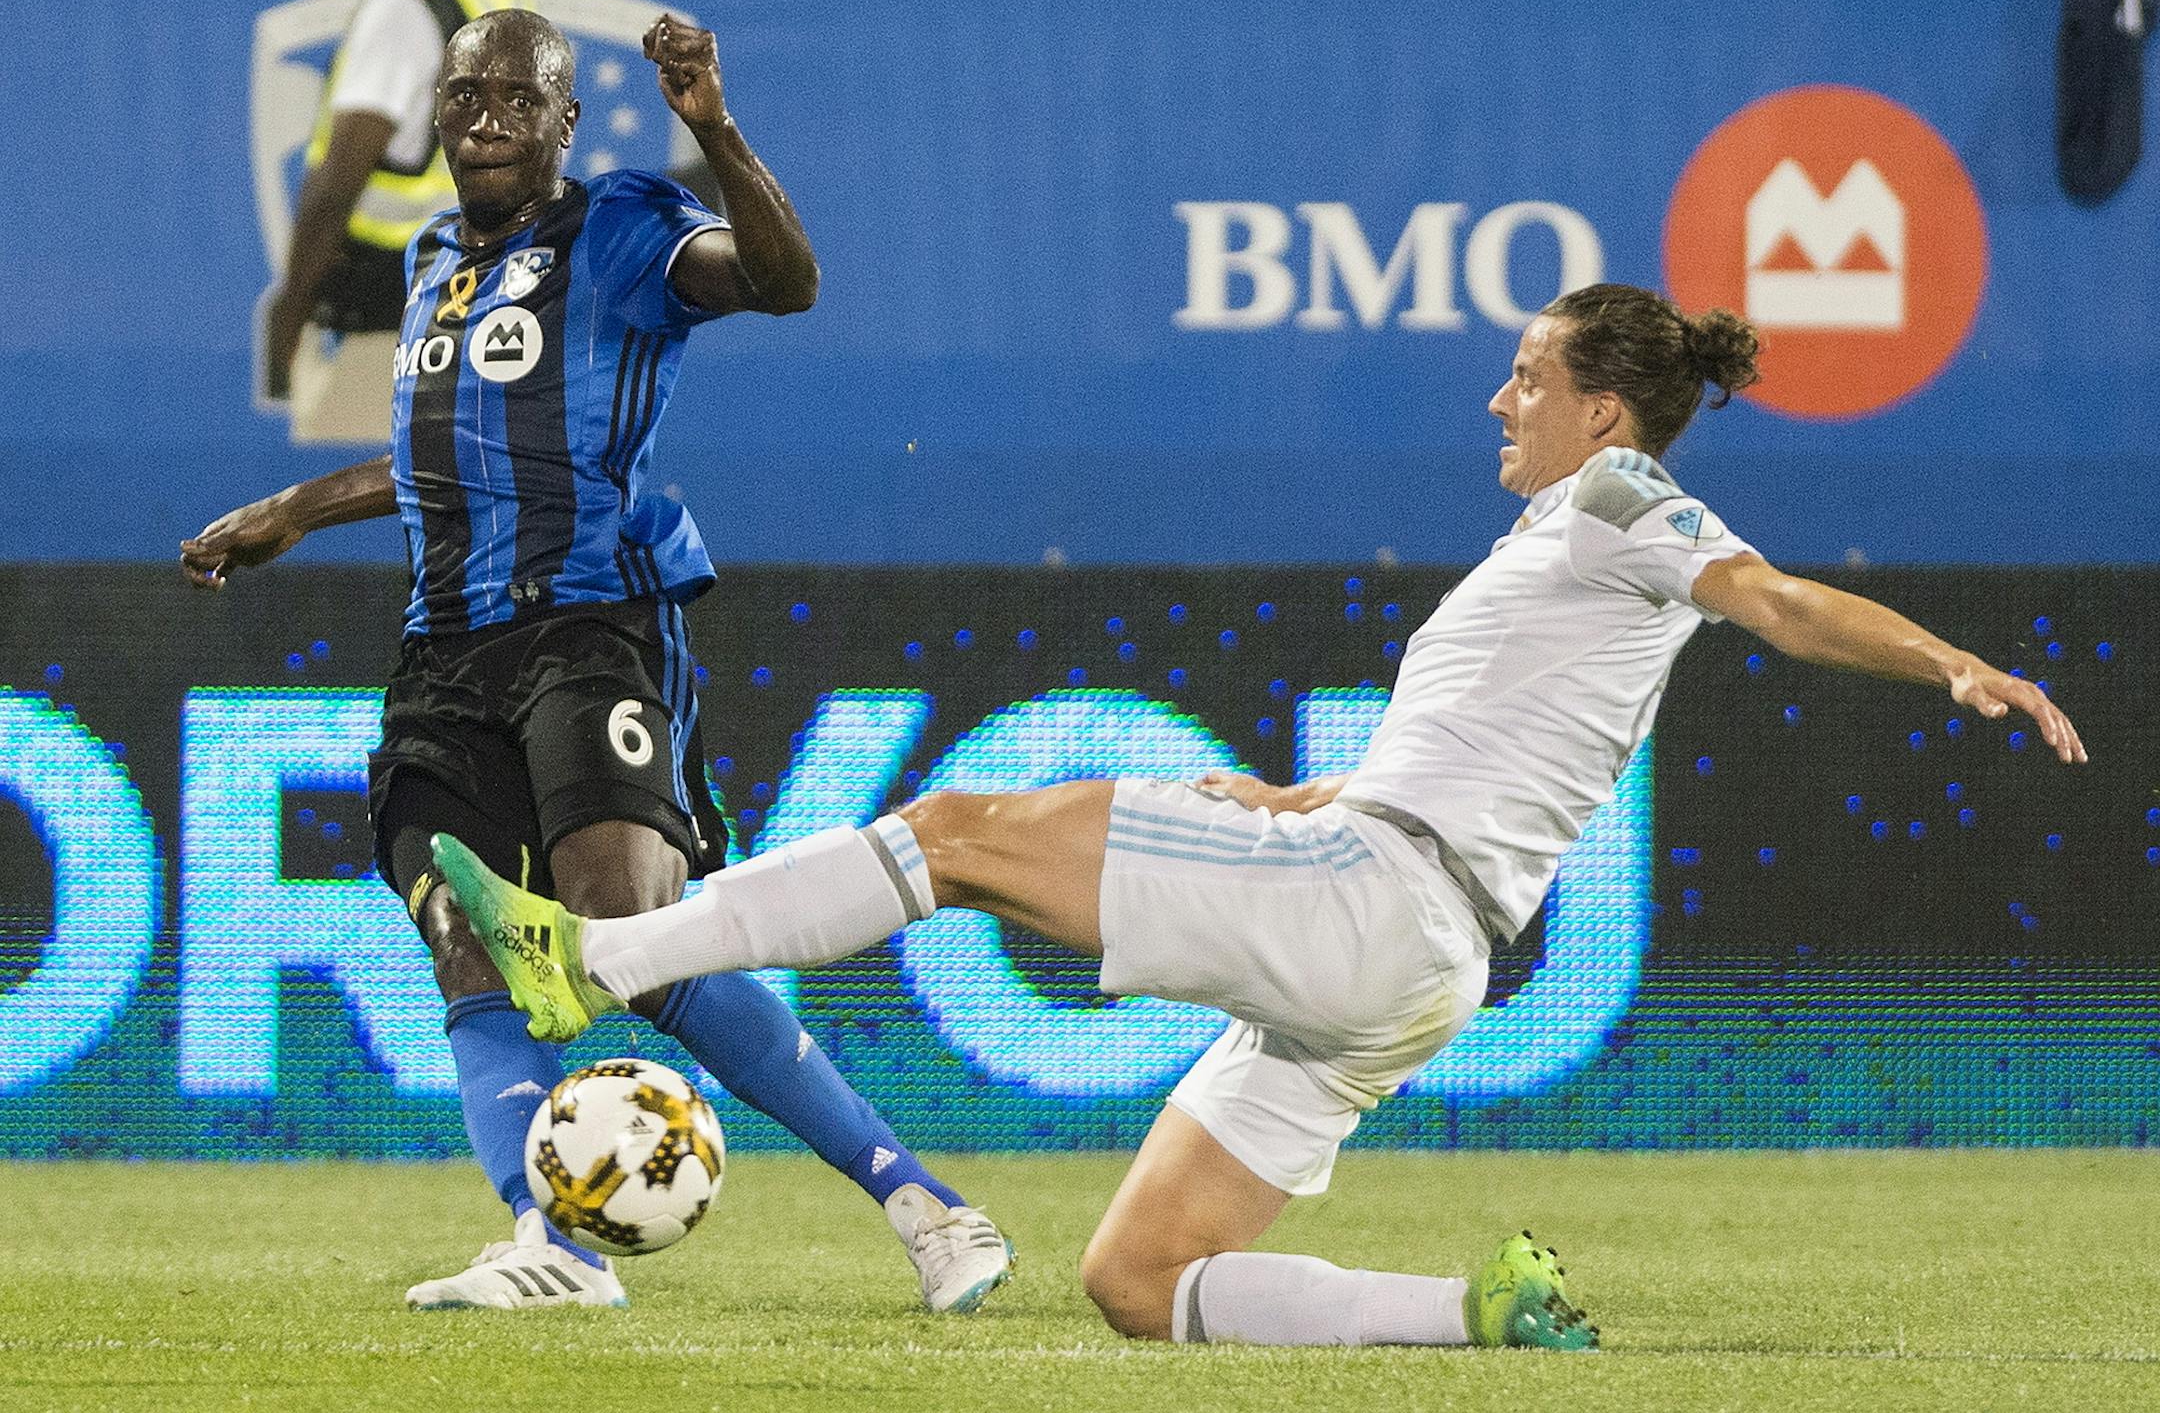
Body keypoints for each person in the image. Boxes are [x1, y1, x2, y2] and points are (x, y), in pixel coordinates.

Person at [432, 282, 2088, 1349]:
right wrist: (1304, 795)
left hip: (1371, 905)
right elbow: (1495, 760)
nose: (1499, 404)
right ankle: (1478, 1316)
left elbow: (1776, 597)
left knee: (950, 837)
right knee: (1137, 1283)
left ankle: (598, 957)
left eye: (1526, 377)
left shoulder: (1622, 497)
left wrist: (1953, 663)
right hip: (1421, 962)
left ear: (1604, 410)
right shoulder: (1561, 554)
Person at [185, 8, 1014, 1315]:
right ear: (438, 118)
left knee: (638, 937)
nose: (488, 119)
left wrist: (714, 128)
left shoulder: (622, 227)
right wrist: (301, 506)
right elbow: (442, 456)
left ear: (568, 121)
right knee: (465, 939)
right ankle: (551, 1244)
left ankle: (928, 1204)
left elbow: (786, 280)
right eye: (465, 98)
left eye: (520, 99)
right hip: (442, 654)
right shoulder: (433, 258)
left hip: (590, 626)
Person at [261, 0, 520, 444]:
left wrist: (289, 307)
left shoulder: (407, 1)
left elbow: (341, 178)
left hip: (385, 324)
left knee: (341, 506)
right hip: (462, 296)